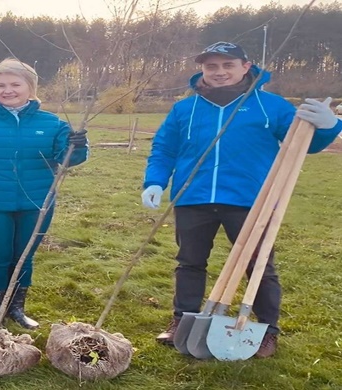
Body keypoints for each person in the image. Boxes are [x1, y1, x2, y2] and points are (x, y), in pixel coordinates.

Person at [141, 41, 342, 358]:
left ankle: (267, 331)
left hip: (253, 200)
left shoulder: (271, 106)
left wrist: (329, 126)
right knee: (190, 263)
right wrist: (154, 181)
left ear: (246, 67)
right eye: (211, 66)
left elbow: (305, 143)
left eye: (227, 65)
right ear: (203, 70)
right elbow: (164, 148)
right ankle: (182, 320)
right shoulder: (185, 109)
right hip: (193, 197)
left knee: (259, 265)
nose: (219, 72)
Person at [0, 58, 89, 329]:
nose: (7, 90)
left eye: (15, 84)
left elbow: (66, 159)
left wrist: (77, 146)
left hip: (36, 203)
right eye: (0, 85)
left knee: (24, 256)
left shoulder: (52, 123)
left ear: (30, 87)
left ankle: (17, 309)